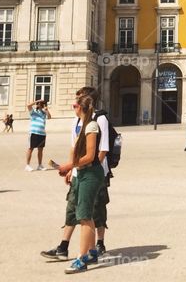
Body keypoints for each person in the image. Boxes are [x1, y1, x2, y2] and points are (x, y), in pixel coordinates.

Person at [42, 87, 112, 261]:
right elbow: (73, 148)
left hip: (95, 172)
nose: (76, 103)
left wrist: (89, 168)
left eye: (78, 100)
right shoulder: (76, 121)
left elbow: (102, 150)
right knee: (73, 206)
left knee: (95, 209)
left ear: (87, 102)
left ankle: (97, 246)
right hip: (78, 170)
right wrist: (72, 169)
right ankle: (63, 247)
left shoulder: (99, 119)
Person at [56, 94, 106, 273]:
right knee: (86, 214)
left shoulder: (91, 125)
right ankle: (92, 251)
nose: (73, 107)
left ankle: (81, 259)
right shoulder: (81, 125)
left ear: (82, 108)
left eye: (75, 105)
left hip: (91, 174)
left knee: (84, 216)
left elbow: (90, 156)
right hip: (82, 173)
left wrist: (69, 165)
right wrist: (70, 169)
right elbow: (77, 152)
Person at [25, 99, 51, 171]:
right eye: (39, 103)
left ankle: (40, 165)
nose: (40, 104)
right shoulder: (33, 111)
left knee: (40, 150)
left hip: (42, 133)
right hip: (34, 132)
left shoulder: (43, 112)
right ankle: (27, 165)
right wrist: (37, 101)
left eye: (42, 103)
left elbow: (49, 117)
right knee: (31, 148)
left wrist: (47, 110)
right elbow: (28, 105)